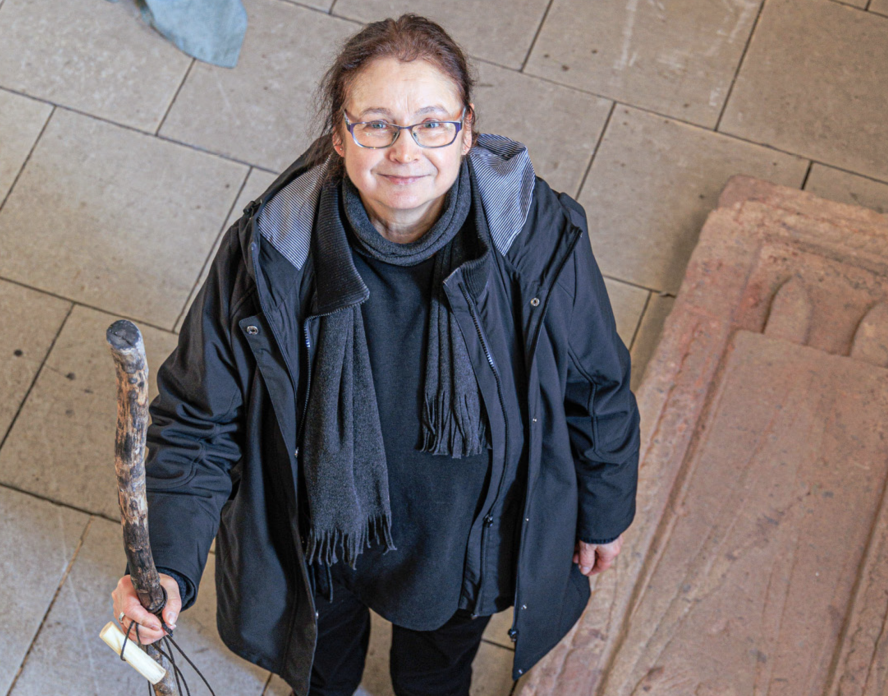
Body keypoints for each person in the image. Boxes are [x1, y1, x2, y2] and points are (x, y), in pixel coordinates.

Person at [111, 14, 640, 696]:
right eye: (378, 124)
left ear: (467, 130)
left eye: (431, 123)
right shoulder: (269, 255)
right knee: (322, 667)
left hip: (464, 546)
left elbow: (595, 386)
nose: (405, 150)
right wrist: (173, 564)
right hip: (319, 543)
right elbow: (197, 417)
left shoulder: (537, 243)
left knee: (437, 670)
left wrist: (604, 506)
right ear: (339, 134)